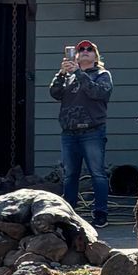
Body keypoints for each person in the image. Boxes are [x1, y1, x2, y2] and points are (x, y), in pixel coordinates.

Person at [50, 38, 113, 226]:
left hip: (92, 132)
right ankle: (68, 215)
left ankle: (100, 214)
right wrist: (61, 74)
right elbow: (54, 93)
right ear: (76, 55)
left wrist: (78, 72)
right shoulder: (68, 76)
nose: (85, 51)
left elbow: (98, 93)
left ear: (96, 56)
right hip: (69, 133)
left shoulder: (102, 74)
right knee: (70, 176)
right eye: (81, 49)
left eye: (89, 49)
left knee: (97, 174)